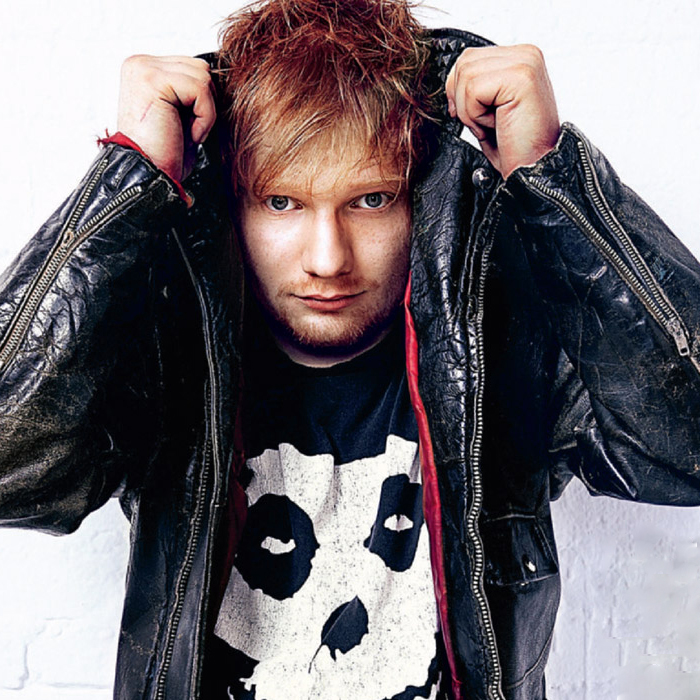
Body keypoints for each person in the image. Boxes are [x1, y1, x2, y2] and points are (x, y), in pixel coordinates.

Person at [1, 1, 699, 699]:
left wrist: (553, 179)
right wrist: (132, 178)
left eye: (370, 200)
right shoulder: (166, 352)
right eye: (282, 202)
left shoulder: (507, 350)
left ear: (419, 198)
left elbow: (687, 446)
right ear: (232, 202)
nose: (327, 259)